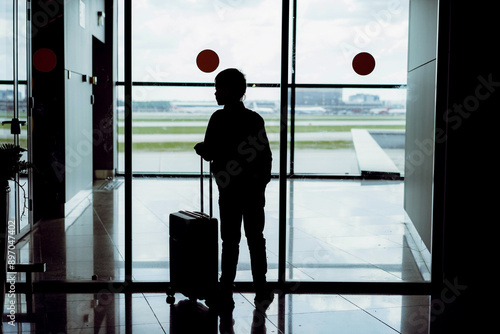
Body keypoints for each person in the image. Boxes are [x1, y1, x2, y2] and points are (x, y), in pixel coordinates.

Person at [194, 68, 274, 312]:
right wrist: (259, 183)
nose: (215, 92)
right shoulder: (254, 119)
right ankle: (261, 289)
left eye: (218, 87)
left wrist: (201, 149)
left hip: (229, 190)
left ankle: (225, 290)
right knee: (255, 239)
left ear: (229, 90)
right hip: (252, 191)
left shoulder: (218, 118)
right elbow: (265, 157)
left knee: (230, 241)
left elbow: (210, 152)